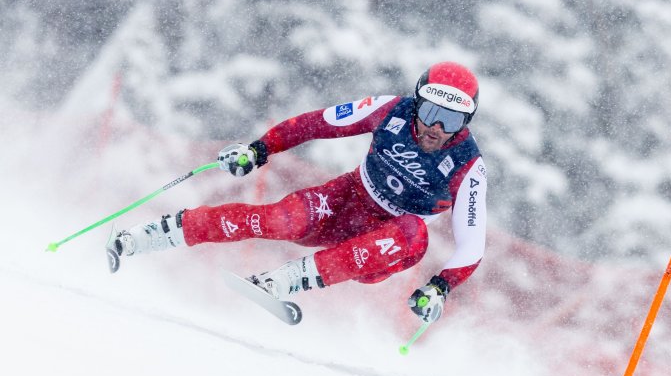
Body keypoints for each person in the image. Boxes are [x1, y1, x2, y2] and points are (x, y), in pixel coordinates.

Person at [108, 61, 487, 324]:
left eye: (451, 119)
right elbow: (317, 123)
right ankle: (151, 235)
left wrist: (439, 288)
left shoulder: (468, 165)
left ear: (465, 122)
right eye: (431, 112)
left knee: (413, 231)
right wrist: (258, 149)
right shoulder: (391, 110)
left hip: (388, 244)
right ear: (417, 102)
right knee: (278, 220)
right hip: (348, 198)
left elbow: (472, 244)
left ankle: (286, 280)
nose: (436, 127)